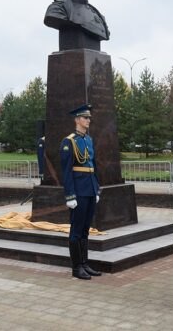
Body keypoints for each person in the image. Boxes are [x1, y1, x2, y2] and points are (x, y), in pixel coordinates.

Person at [60, 103, 102, 280]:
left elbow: (93, 166)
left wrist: (97, 189)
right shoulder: (69, 142)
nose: (88, 120)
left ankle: (85, 263)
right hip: (78, 191)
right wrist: (70, 195)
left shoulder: (88, 140)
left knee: (85, 229)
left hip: (90, 189)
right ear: (77, 120)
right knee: (76, 230)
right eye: (85, 118)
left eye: (89, 118)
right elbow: (67, 171)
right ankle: (76, 267)